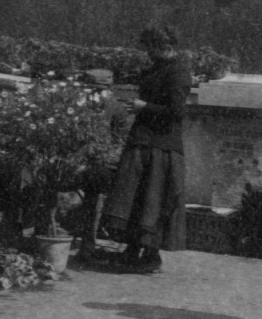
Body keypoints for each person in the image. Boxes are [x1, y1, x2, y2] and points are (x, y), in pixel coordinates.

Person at [102, 25, 191, 274]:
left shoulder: (179, 72)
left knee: (154, 200)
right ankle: (132, 251)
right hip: (143, 141)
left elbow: (177, 112)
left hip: (162, 146)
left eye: (152, 48)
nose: (148, 53)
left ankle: (151, 255)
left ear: (167, 47)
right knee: (134, 197)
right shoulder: (157, 68)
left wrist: (144, 107)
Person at [74, 69, 131, 264]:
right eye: (91, 89)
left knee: (94, 185)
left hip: (102, 165)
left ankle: (87, 247)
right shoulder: (77, 107)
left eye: (100, 89)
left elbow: (120, 143)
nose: (95, 94)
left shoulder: (117, 110)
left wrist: (98, 157)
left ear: (109, 89)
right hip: (76, 162)